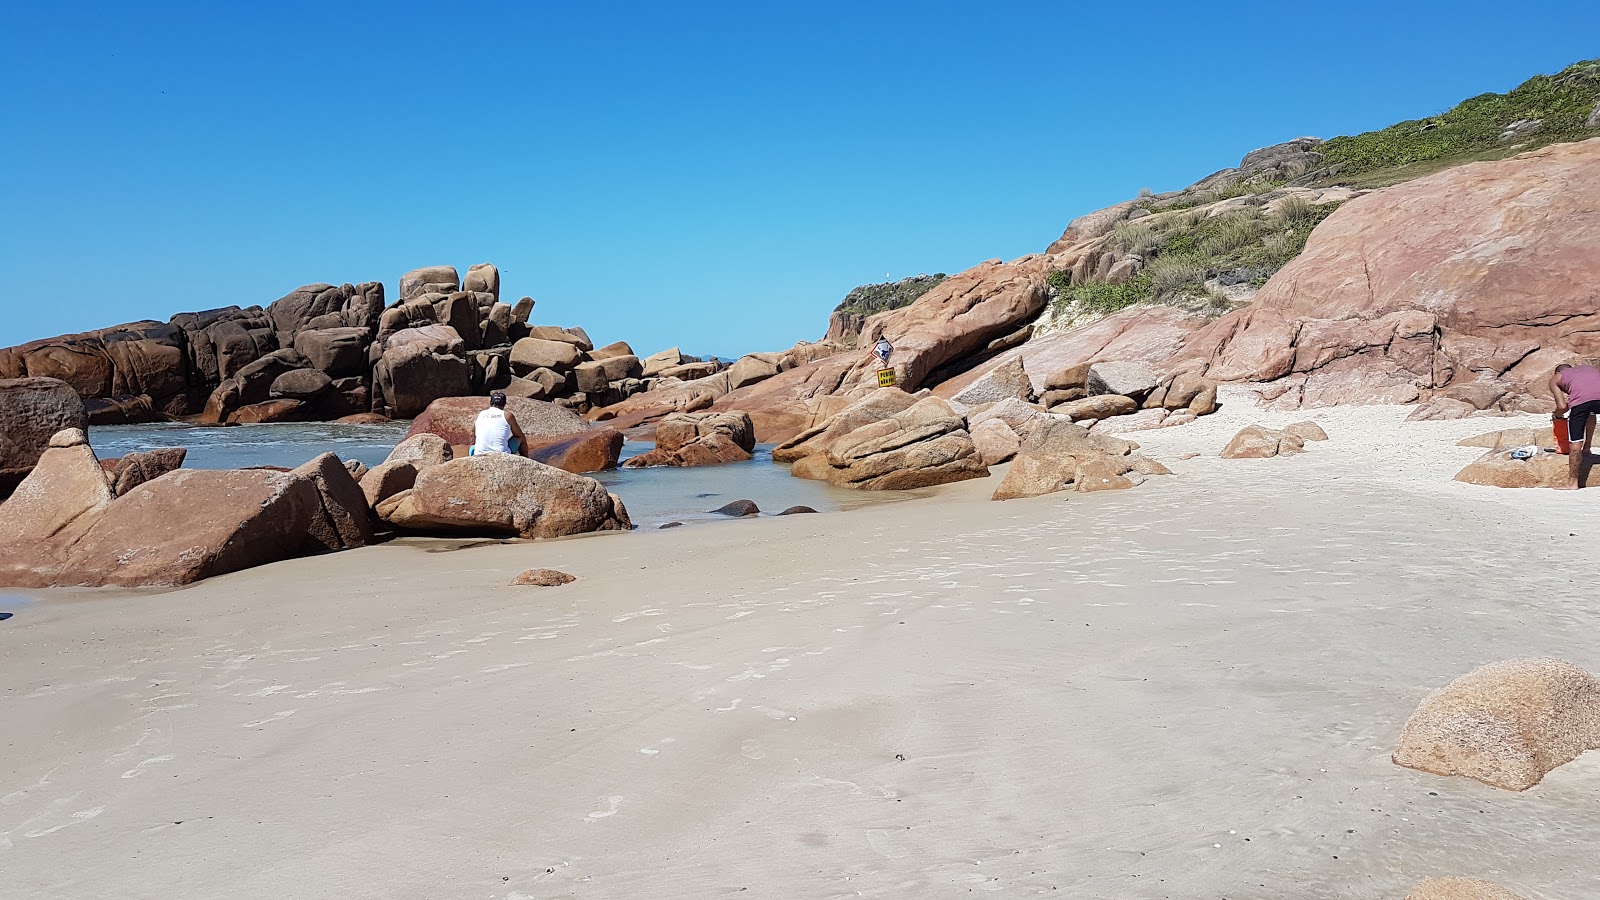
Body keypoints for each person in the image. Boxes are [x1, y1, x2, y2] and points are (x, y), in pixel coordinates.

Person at [1549, 361, 1600, 490]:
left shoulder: (1557, 378)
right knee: (1591, 413)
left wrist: (1556, 415)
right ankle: (1587, 448)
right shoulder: (1588, 368)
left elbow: (1562, 407)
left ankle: (1572, 483)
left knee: (1575, 444)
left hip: (1581, 404)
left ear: (1558, 373)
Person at [472, 391, 530, 458]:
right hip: (501, 455)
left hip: (479, 454)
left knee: (473, 447)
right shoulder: (507, 415)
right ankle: (526, 460)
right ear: (504, 404)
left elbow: (474, 436)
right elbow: (518, 435)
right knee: (520, 437)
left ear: (490, 402)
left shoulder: (481, 414)